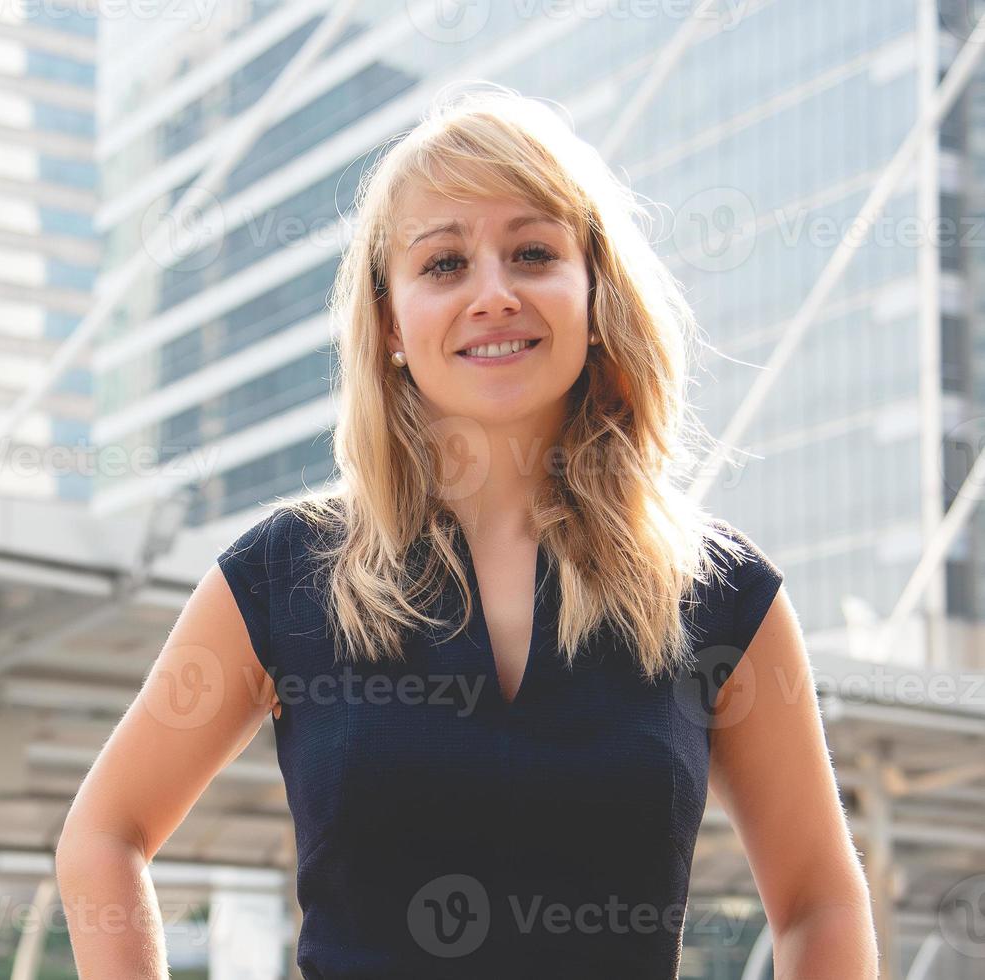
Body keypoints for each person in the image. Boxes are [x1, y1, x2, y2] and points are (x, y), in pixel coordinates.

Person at [54, 84, 877, 978]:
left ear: (595, 294)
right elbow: (105, 834)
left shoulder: (720, 595)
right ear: (389, 321)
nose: (493, 294)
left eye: (532, 252)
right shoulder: (286, 574)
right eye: (444, 264)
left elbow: (820, 903)